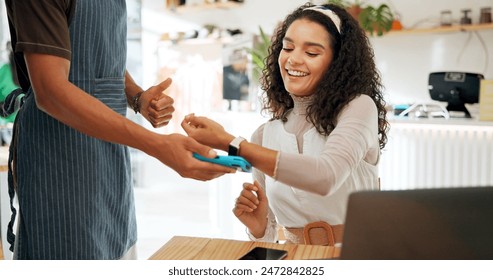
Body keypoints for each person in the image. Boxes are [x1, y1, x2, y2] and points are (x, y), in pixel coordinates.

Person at [4, 0, 235, 260]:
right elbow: (50, 92)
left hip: (110, 156)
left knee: (118, 248)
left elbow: (90, 48)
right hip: (62, 159)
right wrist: (158, 145)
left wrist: (137, 97)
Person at [182, 2, 389, 246]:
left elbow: (326, 176)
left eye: (311, 53)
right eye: (287, 47)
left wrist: (231, 143)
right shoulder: (265, 134)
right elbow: (269, 238)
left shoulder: (358, 108)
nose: (293, 60)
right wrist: (258, 227)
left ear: (338, 63)